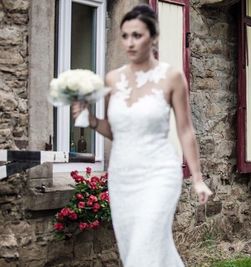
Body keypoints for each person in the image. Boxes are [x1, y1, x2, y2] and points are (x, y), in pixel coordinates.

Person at [72, 4, 212, 266]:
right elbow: (116, 131)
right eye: (125, 36)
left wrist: (197, 179)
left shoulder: (172, 77)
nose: (130, 43)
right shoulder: (113, 79)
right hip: (123, 176)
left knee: (146, 242)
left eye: (137, 35)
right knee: (137, 247)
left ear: (154, 36)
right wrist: (91, 120)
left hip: (159, 172)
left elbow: (185, 129)